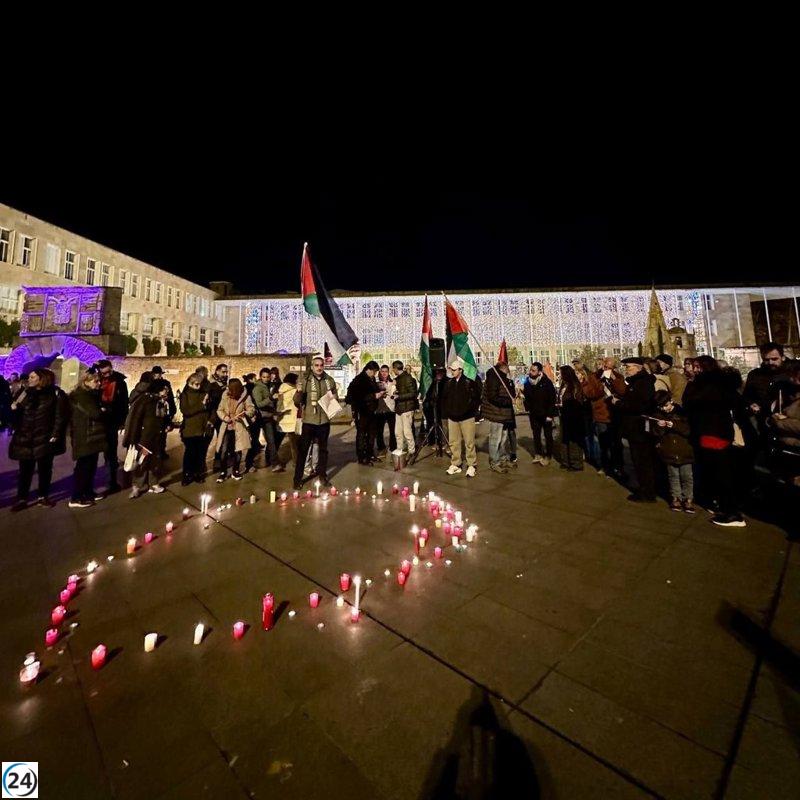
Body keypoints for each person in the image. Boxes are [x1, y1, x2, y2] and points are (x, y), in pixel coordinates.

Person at [683, 355, 747, 527]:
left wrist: (692, 384)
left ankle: (732, 512)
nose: (694, 369)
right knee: (716, 472)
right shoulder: (714, 384)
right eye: (694, 366)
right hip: (711, 431)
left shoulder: (709, 386)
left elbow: (691, 402)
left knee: (721, 473)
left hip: (714, 432)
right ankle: (725, 506)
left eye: (698, 366)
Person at [8, 369, 69, 511]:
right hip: (25, 437)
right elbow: (15, 418)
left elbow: (61, 416)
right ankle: (22, 498)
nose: (29, 379)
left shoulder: (56, 394)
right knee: (24, 471)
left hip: (45, 438)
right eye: (29, 377)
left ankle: (43, 496)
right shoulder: (23, 393)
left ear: (42, 378)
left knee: (45, 469)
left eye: (32, 377)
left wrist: (56, 434)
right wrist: (13, 410)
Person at [612, 356, 657, 502]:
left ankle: (647, 492)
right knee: (638, 460)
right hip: (634, 427)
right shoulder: (636, 382)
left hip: (639, 427)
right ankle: (643, 487)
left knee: (642, 460)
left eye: (629, 367)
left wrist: (619, 403)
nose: (626, 369)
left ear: (638, 367)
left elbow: (638, 405)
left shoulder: (643, 383)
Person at [293, 357, 339, 489]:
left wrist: (335, 398)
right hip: (309, 421)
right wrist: (299, 391)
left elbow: (334, 396)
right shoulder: (305, 380)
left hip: (324, 420)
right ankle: (297, 479)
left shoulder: (329, 380)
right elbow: (297, 402)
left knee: (323, 450)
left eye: (321, 365)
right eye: (316, 365)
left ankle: (322, 476)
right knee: (303, 451)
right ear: (312, 367)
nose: (319, 368)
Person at [123, 378, 172, 497]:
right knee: (142, 462)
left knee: (155, 461)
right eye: (165, 389)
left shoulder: (161, 402)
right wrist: (133, 439)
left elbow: (162, 418)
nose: (167, 392)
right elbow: (136, 420)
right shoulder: (145, 401)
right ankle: (137, 486)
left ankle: (153, 483)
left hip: (157, 436)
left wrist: (167, 425)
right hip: (144, 438)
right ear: (159, 390)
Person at [69, 369, 109, 508]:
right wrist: (102, 411)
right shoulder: (82, 396)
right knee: (83, 467)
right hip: (85, 435)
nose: (98, 384)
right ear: (86, 382)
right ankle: (76, 497)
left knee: (91, 466)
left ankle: (87, 492)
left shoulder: (91, 395)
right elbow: (95, 413)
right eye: (95, 381)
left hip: (91, 435)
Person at [651, 389, 695, 513]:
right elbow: (656, 433)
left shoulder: (682, 413)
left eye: (665, 406)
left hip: (684, 451)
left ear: (671, 401)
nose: (664, 409)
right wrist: (660, 427)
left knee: (687, 476)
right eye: (661, 407)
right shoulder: (657, 415)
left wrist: (674, 425)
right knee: (673, 476)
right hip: (669, 451)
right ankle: (676, 498)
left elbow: (688, 431)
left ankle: (688, 499)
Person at [584, 358, 627, 476]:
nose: (605, 369)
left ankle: (618, 467)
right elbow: (589, 393)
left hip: (615, 414)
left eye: (609, 367)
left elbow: (623, 391)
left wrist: (613, 379)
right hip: (601, 414)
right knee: (604, 443)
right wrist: (601, 385)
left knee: (617, 443)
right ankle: (605, 466)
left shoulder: (618, 377)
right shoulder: (594, 377)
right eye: (604, 366)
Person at [441, 359, 482, 477]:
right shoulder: (449, 383)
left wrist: (470, 411)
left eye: (454, 370)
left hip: (467, 417)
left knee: (469, 442)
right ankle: (456, 463)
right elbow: (445, 399)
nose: (452, 372)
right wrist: (448, 411)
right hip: (453, 417)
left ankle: (471, 465)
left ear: (460, 370)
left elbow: (476, 399)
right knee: (454, 442)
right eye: (451, 369)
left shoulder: (469, 382)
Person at [212, 377, 256, 483]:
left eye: (230, 388)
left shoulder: (245, 396)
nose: (228, 390)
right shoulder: (225, 395)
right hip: (227, 426)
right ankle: (223, 472)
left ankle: (235, 470)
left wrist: (244, 414)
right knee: (224, 450)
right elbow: (219, 409)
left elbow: (251, 409)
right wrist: (225, 417)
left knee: (238, 449)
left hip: (239, 426)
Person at [96, 359, 128, 494]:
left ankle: (111, 481)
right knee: (92, 454)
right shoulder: (96, 381)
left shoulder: (119, 382)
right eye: (104, 373)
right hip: (97, 421)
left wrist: (122, 421)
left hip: (112, 421)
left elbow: (123, 403)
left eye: (108, 372)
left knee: (110, 453)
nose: (106, 375)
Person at [768, 361, 800, 486]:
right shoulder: (787, 394)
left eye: (795, 376)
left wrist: (780, 422)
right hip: (787, 451)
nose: (792, 380)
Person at [345, 360, 383, 465]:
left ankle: (370, 454)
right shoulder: (359, 380)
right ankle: (362, 457)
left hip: (372, 411)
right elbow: (357, 397)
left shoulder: (371, 379)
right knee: (362, 434)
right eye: (374, 371)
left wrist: (379, 393)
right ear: (369, 370)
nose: (375, 374)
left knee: (372, 434)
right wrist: (374, 396)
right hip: (362, 411)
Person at [481, 362, 515, 473]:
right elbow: (493, 397)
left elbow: (508, 392)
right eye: (508, 368)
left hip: (503, 414)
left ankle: (503, 458)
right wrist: (508, 401)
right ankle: (494, 462)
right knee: (495, 439)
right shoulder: (494, 378)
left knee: (503, 438)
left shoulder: (502, 378)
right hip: (496, 413)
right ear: (503, 368)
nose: (509, 370)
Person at [179, 372, 211, 485]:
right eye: (196, 384)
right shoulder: (185, 395)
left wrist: (210, 420)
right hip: (190, 429)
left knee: (200, 453)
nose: (199, 387)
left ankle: (198, 473)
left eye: (200, 384)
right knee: (190, 453)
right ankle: (187, 474)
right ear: (190, 383)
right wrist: (201, 405)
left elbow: (210, 409)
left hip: (202, 428)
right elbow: (186, 411)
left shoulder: (204, 394)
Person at [522, 362, 556, 466]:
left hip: (545, 414)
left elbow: (552, 399)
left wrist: (550, 414)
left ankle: (548, 455)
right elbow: (527, 397)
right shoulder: (527, 382)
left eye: (533, 370)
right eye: (530, 370)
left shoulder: (546, 382)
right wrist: (526, 404)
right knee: (536, 434)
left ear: (539, 372)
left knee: (547, 435)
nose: (531, 372)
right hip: (534, 414)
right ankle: (538, 453)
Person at [249, 368, 279, 469]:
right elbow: (259, 404)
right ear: (260, 377)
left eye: (268, 377)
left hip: (268, 417)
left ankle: (274, 463)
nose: (266, 379)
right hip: (259, 417)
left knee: (271, 441)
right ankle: (249, 463)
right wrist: (271, 398)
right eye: (264, 377)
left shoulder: (270, 386)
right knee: (254, 442)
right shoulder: (257, 388)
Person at [557, 365, 585, 471]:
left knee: (573, 440)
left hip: (573, 416)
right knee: (564, 438)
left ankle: (576, 463)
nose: (560, 375)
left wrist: (566, 406)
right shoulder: (564, 385)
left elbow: (578, 402)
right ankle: (565, 461)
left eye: (561, 373)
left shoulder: (575, 386)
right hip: (564, 415)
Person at [391, 360, 419, 459]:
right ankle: (400, 449)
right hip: (399, 408)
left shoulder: (408, 378)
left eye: (392, 368)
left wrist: (399, 397)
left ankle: (412, 450)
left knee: (407, 431)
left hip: (406, 408)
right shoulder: (397, 379)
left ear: (395, 368)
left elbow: (413, 393)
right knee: (398, 432)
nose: (392, 370)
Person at [272, 373, 300, 472]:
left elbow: (277, 404)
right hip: (292, 420)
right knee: (294, 445)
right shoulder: (294, 391)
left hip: (282, 420)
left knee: (275, 443)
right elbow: (298, 403)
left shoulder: (280, 390)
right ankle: (296, 463)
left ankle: (273, 461)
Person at [375, 365, 397, 456]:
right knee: (379, 431)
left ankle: (393, 447)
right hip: (380, 410)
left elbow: (396, 394)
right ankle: (381, 448)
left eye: (386, 371)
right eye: (382, 371)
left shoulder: (392, 383)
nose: (384, 373)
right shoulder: (376, 383)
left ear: (388, 373)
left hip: (390, 409)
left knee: (393, 430)